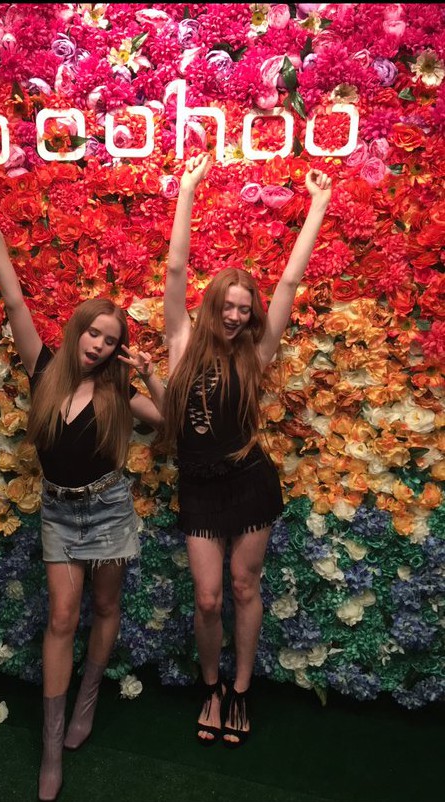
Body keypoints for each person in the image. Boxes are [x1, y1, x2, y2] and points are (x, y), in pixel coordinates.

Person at [0, 191, 164, 801]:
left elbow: (167, 423)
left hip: (108, 509)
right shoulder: (45, 368)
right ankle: (51, 748)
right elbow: (14, 303)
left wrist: (150, 373)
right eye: (94, 333)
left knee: (105, 607)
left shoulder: (118, 390)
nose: (99, 345)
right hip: (59, 510)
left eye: (110, 340)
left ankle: (88, 699)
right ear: (79, 329)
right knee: (61, 617)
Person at [163, 153, 332, 747]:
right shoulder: (180, 340)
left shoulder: (256, 354)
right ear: (211, 304)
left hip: (249, 481)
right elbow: (176, 268)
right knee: (208, 598)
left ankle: (239, 690)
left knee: (243, 587)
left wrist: (318, 207)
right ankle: (210, 687)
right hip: (199, 486)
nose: (236, 315)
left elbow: (288, 284)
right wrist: (188, 189)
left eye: (244, 308)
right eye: (228, 305)